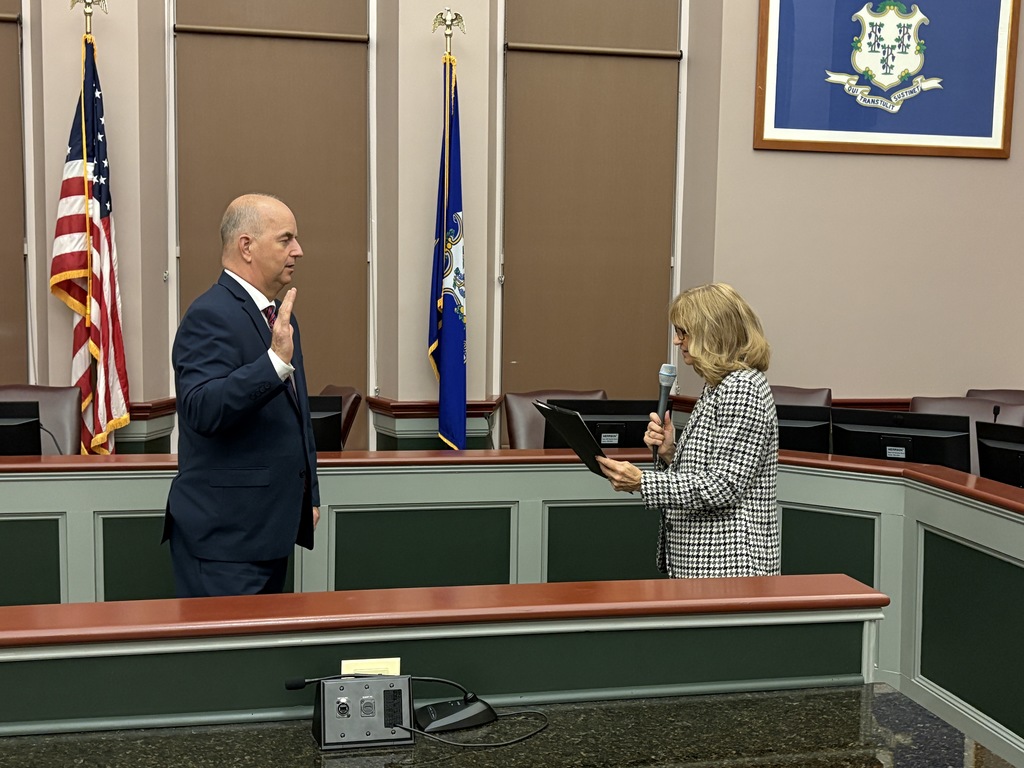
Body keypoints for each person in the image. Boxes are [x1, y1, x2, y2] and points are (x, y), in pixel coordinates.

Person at [163, 193, 320, 597]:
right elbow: (201, 409)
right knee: (225, 661)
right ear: (246, 246)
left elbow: (297, 416)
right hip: (224, 542)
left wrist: (310, 495)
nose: (298, 251)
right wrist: (273, 364)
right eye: (286, 239)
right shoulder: (209, 314)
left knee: (262, 658)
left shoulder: (280, 317)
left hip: (269, 533)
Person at [597, 283, 779, 578]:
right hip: (704, 562)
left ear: (712, 333)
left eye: (684, 332)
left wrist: (643, 482)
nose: (677, 340)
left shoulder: (742, 388)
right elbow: (711, 470)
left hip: (728, 565)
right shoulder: (719, 385)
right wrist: (670, 453)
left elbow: (724, 487)